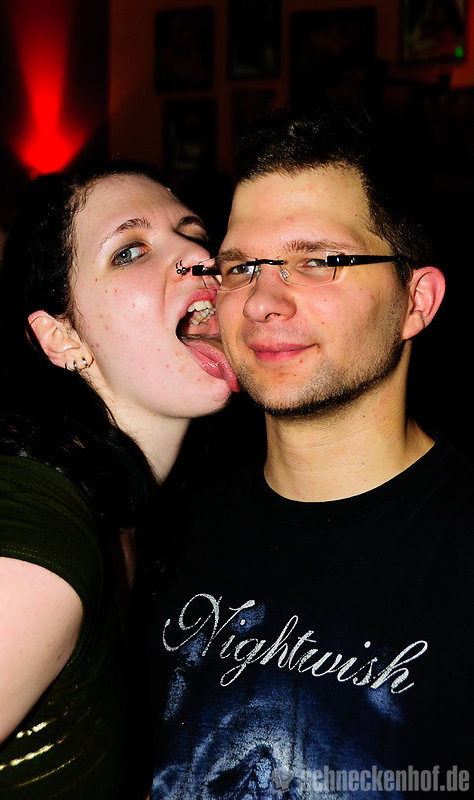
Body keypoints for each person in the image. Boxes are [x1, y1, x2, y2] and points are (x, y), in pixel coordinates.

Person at [148, 105, 473, 798]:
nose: (262, 301)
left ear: (416, 301)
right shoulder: (163, 535)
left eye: (319, 262)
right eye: (240, 266)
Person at [0, 159, 239, 799]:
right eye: (130, 250)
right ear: (61, 336)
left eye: (195, 234)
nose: (198, 256)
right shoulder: (25, 518)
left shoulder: (144, 517)